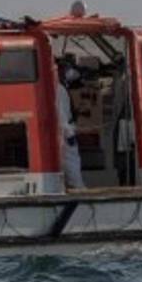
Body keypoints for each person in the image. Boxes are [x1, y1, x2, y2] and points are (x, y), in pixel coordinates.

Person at [56, 60, 85, 190]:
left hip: (65, 129)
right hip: (65, 132)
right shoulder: (58, 89)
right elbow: (61, 114)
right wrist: (70, 134)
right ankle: (77, 188)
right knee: (71, 161)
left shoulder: (60, 87)